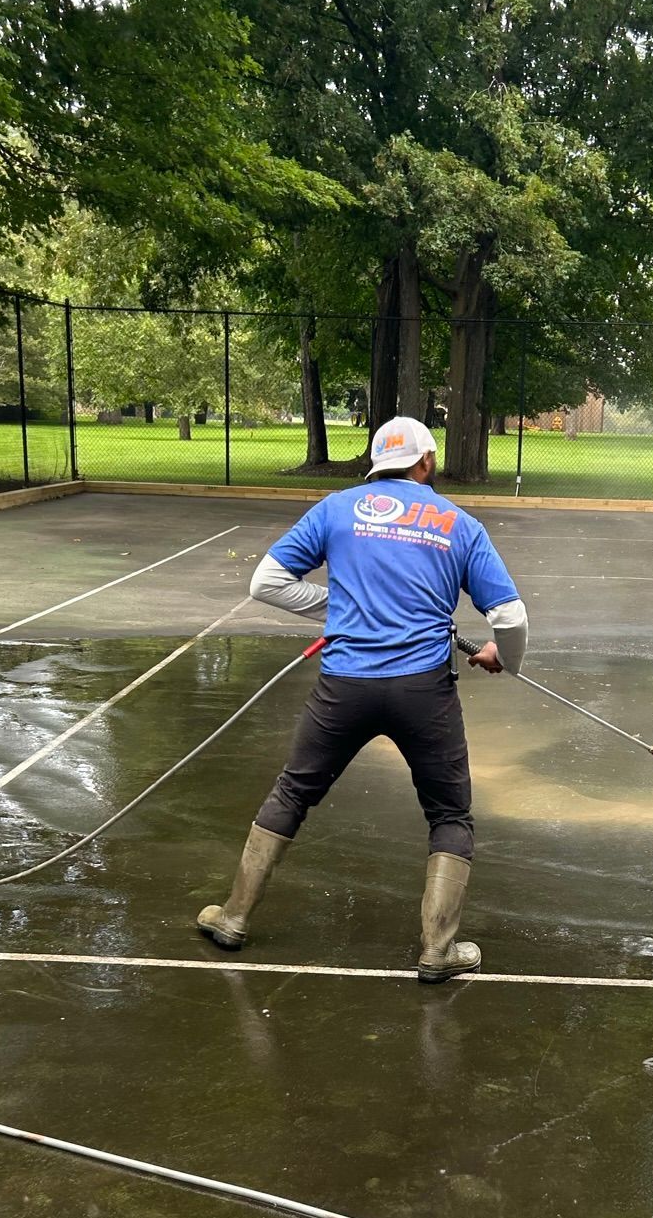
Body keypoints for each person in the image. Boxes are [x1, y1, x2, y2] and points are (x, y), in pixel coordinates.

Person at [197, 415, 528, 982]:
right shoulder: (458, 523)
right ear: (425, 463)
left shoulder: (335, 508)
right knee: (449, 813)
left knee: (294, 792)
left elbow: (266, 583)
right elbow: (510, 616)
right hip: (424, 689)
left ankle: (233, 917)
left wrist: (345, 612)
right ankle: (437, 951)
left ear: (375, 462)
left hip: (343, 687)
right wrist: (507, 660)